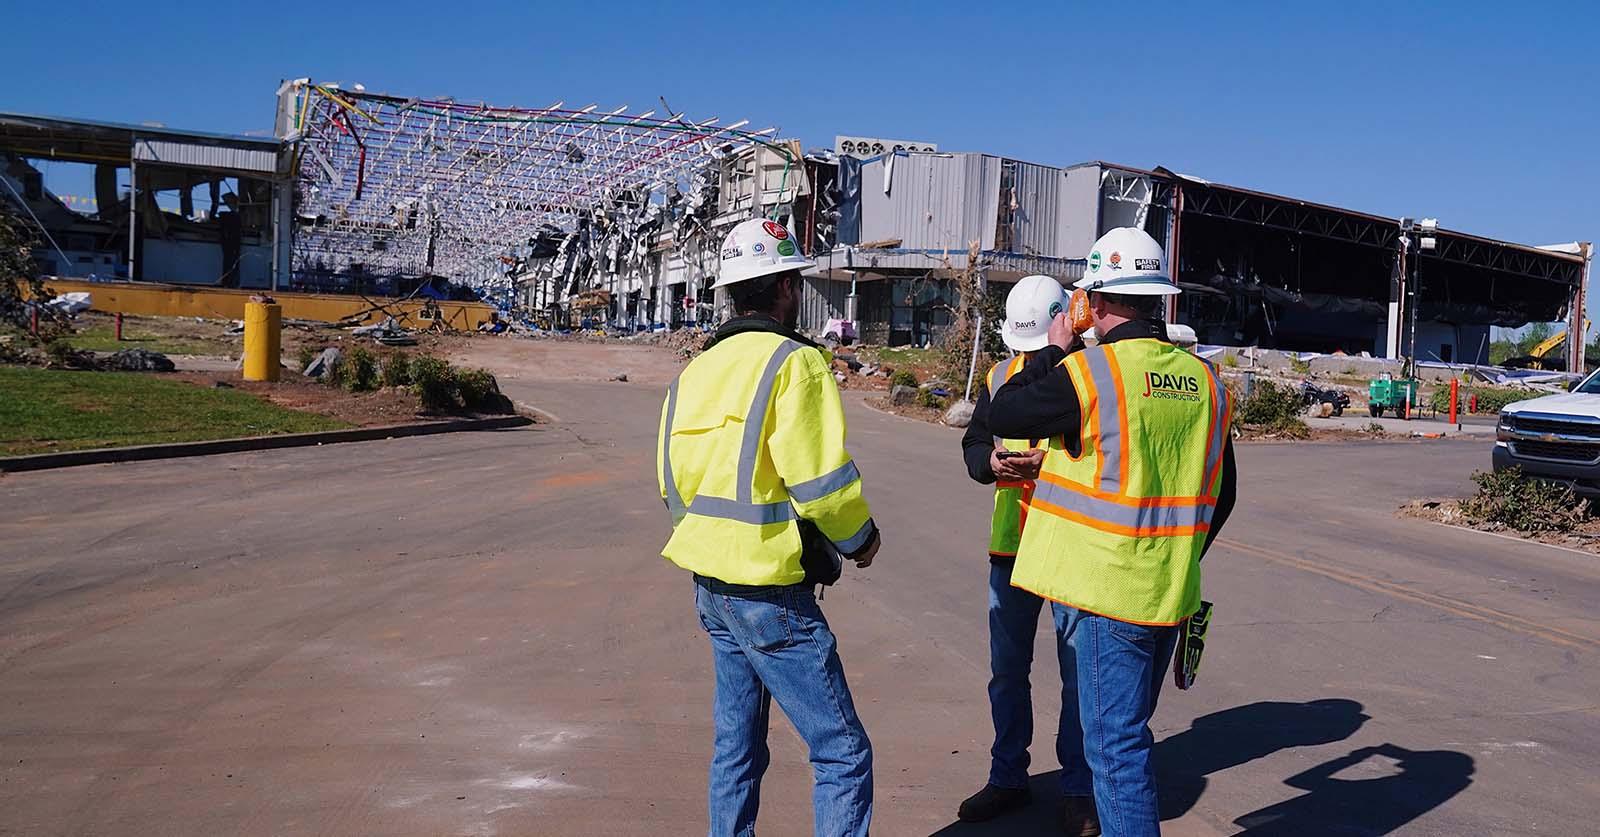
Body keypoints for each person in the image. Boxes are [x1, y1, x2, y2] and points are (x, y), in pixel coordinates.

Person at [988, 227, 1238, 837]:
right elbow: (1224, 492)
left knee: (1116, 752)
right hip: (1170, 591)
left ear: (1094, 301)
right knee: (1127, 736)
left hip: (1107, 592)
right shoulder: (1208, 383)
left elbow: (1006, 410)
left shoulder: (1091, 372)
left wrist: (1053, 349)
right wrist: (1176, 554)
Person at [657, 217, 883, 837]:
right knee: (842, 752)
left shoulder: (695, 371)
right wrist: (860, 539)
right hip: (770, 593)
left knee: (736, 748)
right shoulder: (795, 362)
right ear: (785, 287)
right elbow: (821, 482)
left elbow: (671, 480)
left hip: (712, 585)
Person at [957, 275, 1100, 833]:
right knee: (1007, 672)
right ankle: (1008, 777)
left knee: (1076, 676)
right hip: (1011, 547)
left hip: (1067, 543)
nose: (1030, 357)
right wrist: (990, 464)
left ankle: (1078, 789)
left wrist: (1052, 466)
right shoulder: (1000, 376)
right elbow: (975, 442)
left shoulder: (1089, 376)